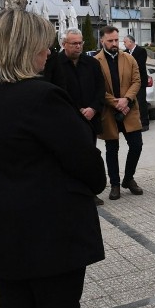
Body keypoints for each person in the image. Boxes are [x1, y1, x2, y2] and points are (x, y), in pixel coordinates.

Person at [0, 8, 106, 308]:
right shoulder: (42, 97)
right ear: (25, 48)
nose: (49, 53)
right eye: (46, 46)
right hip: (49, 229)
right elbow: (87, 164)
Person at [57, 27, 107, 206]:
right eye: (74, 44)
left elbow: (101, 88)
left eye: (80, 43)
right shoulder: (55, 64)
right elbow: (56, 93)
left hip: (90, 120)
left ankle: (89, 191)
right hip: (66, 120)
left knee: (88, 156)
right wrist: (76, 110)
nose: (78, 47)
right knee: (68, 157)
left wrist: (93, 108)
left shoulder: (92, 63)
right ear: (64, 44)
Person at [95, 26, 144, 201]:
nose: (115, 43)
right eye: (110, 41)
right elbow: (98, 87)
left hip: (129, 109)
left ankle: (128, 178)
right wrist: (115, 102)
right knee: (112, 149)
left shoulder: (129, 59)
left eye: (116, 40)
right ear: (102, 41)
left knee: (136, 145)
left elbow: (137, 81)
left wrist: (126, 100)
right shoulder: (96, 61)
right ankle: (115, 184)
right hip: (109, 111)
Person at [123, 34, 150, 131]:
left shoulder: (141, 51)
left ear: (131, 42)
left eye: (125, 42)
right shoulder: (125, 52)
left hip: (140, 82)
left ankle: (144, 123)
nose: (124, 44)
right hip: (128, 83)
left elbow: (139, 65)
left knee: (141, 102)